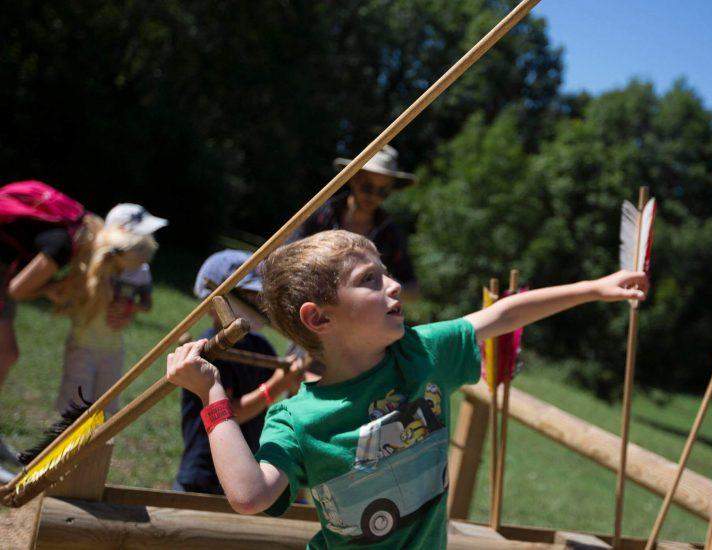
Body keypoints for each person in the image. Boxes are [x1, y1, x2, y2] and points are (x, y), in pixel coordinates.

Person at [166, 230, 648, 548]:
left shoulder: (421, 353)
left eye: (387, 272)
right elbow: (250, 496)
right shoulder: (297, 419)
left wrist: (595, 287)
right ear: (320, 318)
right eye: (371, 280)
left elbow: (505, 314)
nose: (395, 286)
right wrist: (213, 396)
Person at [173, 250, 305, 495]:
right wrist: (276, 385)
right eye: (247, 296)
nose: (257, 304)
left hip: (245, 469)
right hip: (204, 476)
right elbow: (227, 413)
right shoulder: (206, 353)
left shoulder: (261, 347)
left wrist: (295, 382)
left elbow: (287, 402)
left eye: (258, 296)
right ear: (215, 301)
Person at [0, 180, 98, 480]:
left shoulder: (70, 224)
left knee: (6, 354)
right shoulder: (63, 245)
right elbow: (18, 289)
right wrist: (51, 289)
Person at [54, 204, 168, 415]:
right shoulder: (90, 264)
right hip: (83, 346)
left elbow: (147, 304)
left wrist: (130, 308)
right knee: (74, 411)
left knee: (105, 412)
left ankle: (96, 448)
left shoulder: (141, 270)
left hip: (113, 350)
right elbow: (66, 296)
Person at [293, 145, 420, 300]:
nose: (373, 196)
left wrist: (381, 285)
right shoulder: (321, 215)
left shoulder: (389, 233)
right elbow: (289, 255)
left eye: (382, 191)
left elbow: (413, 289)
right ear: (353, 179)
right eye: (367, 187)